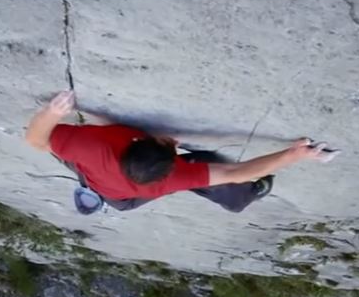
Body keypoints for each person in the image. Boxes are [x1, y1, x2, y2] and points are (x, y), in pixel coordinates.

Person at [23, 90, 331, 215]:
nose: (173, 141)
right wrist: (293, 155)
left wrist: (52, 112)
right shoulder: (171, 177)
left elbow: (37, 139)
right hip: (123, 198)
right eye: (171, 145)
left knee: (68, 153)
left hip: (105, 183)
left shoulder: (90, 146)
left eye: (170, 145)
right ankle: (246, 198)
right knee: (212, 173)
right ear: (135, 139)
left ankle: (94, 193)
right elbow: (237, 173)